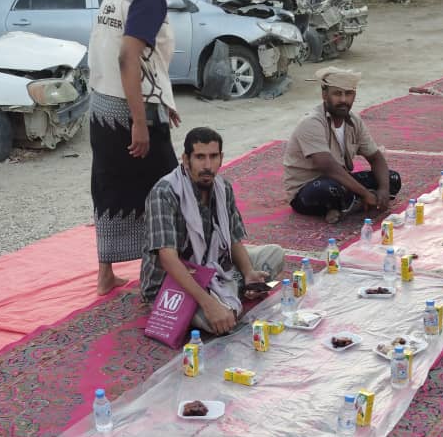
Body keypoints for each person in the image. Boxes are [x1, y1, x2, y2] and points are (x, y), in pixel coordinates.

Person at [88, 0, 193, 295]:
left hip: (102, 103)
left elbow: (135, 56)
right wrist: (139, 121)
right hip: (128, 110)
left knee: (109, 187)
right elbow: (127, 57)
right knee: (168, 191)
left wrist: (163, 102)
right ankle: (166, 275)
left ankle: (105, 275)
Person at [141, 127, 285, 335]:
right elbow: (168, 259)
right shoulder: (164, 193)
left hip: (213, 266)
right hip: (173, 280)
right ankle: (225, 295)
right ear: (186, 159)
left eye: (213, 157)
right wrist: (208, 304)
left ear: (221, 158)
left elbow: (233, 238)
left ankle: (237, 286)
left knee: (275, 254)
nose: (207, 166)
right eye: (200, 157)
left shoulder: (222, 187)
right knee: (220, 322)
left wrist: (248, 272)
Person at [284, 66, 401, 224]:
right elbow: (328, 167)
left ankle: (345, 206)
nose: (344, 100)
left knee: (392, 178)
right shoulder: (312, 123)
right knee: (329, 190)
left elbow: (375, 158)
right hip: (308, 189)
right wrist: (366, 194)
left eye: (349, 93)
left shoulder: (354, 121)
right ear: (324, 94)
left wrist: (384, 190)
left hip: (341, 180)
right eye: (337, 94)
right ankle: (357, 202)